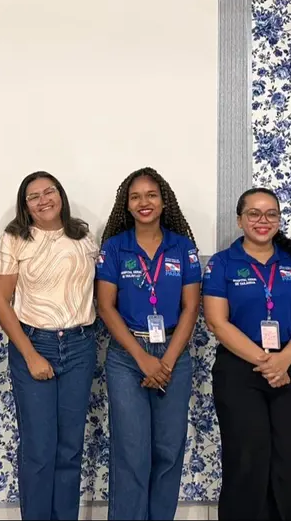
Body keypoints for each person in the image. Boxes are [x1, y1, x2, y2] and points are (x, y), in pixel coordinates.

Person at [202, 187, 291, 521]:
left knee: (289, 460)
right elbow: (216, 321)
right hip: (239, 373)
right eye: (253, 213)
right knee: (247, 459)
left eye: (271, 214)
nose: (262, 220)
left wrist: (283, 360)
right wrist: (265, 361)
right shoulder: (222, 264)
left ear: (279, 220)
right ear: (240, 220)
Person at [0, 171, 99, 520]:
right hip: (35, 344)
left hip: (80, 346)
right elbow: (0, 300)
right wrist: (31, 354)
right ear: (25, 205)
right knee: (39, 449)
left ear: (61, 195)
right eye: (33, 196)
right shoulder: (15, 237)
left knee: (69, 450)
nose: (42, 200)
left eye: (48, 191)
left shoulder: (84, 235)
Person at [95, 167, 201, 520]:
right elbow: (106, 307)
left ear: (163, 201)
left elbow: (191, 308)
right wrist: (143, 359)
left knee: (169, 452)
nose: (144, 202)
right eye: (136, 196)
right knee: (132, 452)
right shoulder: (114, 248)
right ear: (126, 205)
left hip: (175, 355)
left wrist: (167, 362)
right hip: (128, 358)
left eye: (151, 195)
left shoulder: (183, 248)